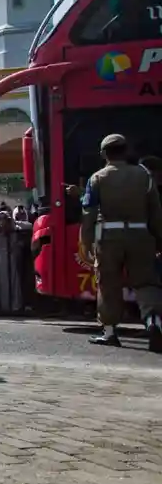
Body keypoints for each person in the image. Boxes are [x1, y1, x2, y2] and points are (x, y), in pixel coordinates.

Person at [79, 134, 162, 351]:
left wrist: (85, 242)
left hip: (109, 238)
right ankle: (154, 322)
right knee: (146, 282)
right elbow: (155, 211)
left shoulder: (97, 178)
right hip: (141, 236)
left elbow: (89, 213)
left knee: (108, 284)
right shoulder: (144, 176)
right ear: (126, 151)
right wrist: (159, 239)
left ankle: (109, 332)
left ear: (104, 154)